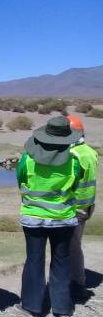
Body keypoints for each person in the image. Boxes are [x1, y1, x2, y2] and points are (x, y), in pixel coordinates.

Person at [14, 116, 82, 317]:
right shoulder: (73, 162)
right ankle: (62, 308)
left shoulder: (27, 159)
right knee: (61, 260)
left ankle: (32, 306)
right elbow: (75, 186)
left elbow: (21, 181)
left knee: (34, 260)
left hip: (33, 219)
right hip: (63, 219)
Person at [68, 115, 98, 300]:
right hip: (87, 206)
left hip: (75, 207)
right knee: (75, 244)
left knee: (72, 247)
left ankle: (77, 284)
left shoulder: (74, 155)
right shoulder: (90, 152)